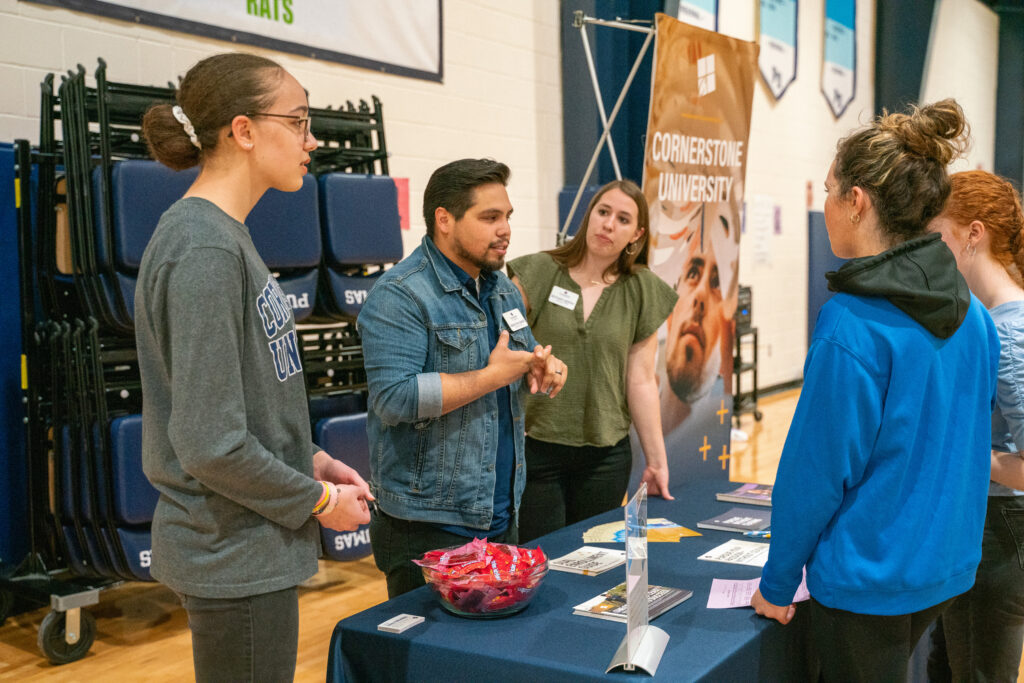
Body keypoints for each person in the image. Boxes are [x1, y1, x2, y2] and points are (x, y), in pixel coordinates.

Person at [136, 53, 373, 682]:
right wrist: (320, 499)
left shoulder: (223, 236)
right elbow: (210, 444)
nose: (311, 140)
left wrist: (309, 459)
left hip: (248, 541)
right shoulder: (205, 248)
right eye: (297, 121)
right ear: (243, 131)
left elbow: (239, 401)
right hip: (231, 550)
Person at [749, 99, 1000, 682]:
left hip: (867, 579)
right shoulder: (976, 318)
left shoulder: (853, 325)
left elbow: (816, 471)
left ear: (856, 201)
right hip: (945, 568)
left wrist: (778, 582)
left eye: (830, 189)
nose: (827, 203)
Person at [357, 158, 567, 598]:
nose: (504, 229)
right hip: (430, 523)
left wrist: (542, 365)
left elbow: (519, 356)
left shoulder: (504, 288)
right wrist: (492, 376)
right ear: (444, 220)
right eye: (489, 217)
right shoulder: (400, 294)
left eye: (507, 216)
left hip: (501, 509)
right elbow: (395, 398)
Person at [506, 179, 678, 542]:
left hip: (605, 457)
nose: (609, 224)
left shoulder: (642, 289)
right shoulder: (538, 272)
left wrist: (657, 460)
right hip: (537, 448)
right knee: (543, 558)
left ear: (637, 234)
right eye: (603, 212)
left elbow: (642, 381)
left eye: (623, 219)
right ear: (589, 216)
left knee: (592, 563)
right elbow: (503, 350)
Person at [926, 170, 1024, 682]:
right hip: (982, 526)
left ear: (973, 233)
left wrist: (957, 453)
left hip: (1001, 531)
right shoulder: (991, 320)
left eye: (937, 232)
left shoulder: (1010, 331)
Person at [658, 206, 737, 433]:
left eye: (717, 283)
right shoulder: (628, 429)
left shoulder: (711, 435)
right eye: (693, 273)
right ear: (671, 312)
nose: (700, 296)